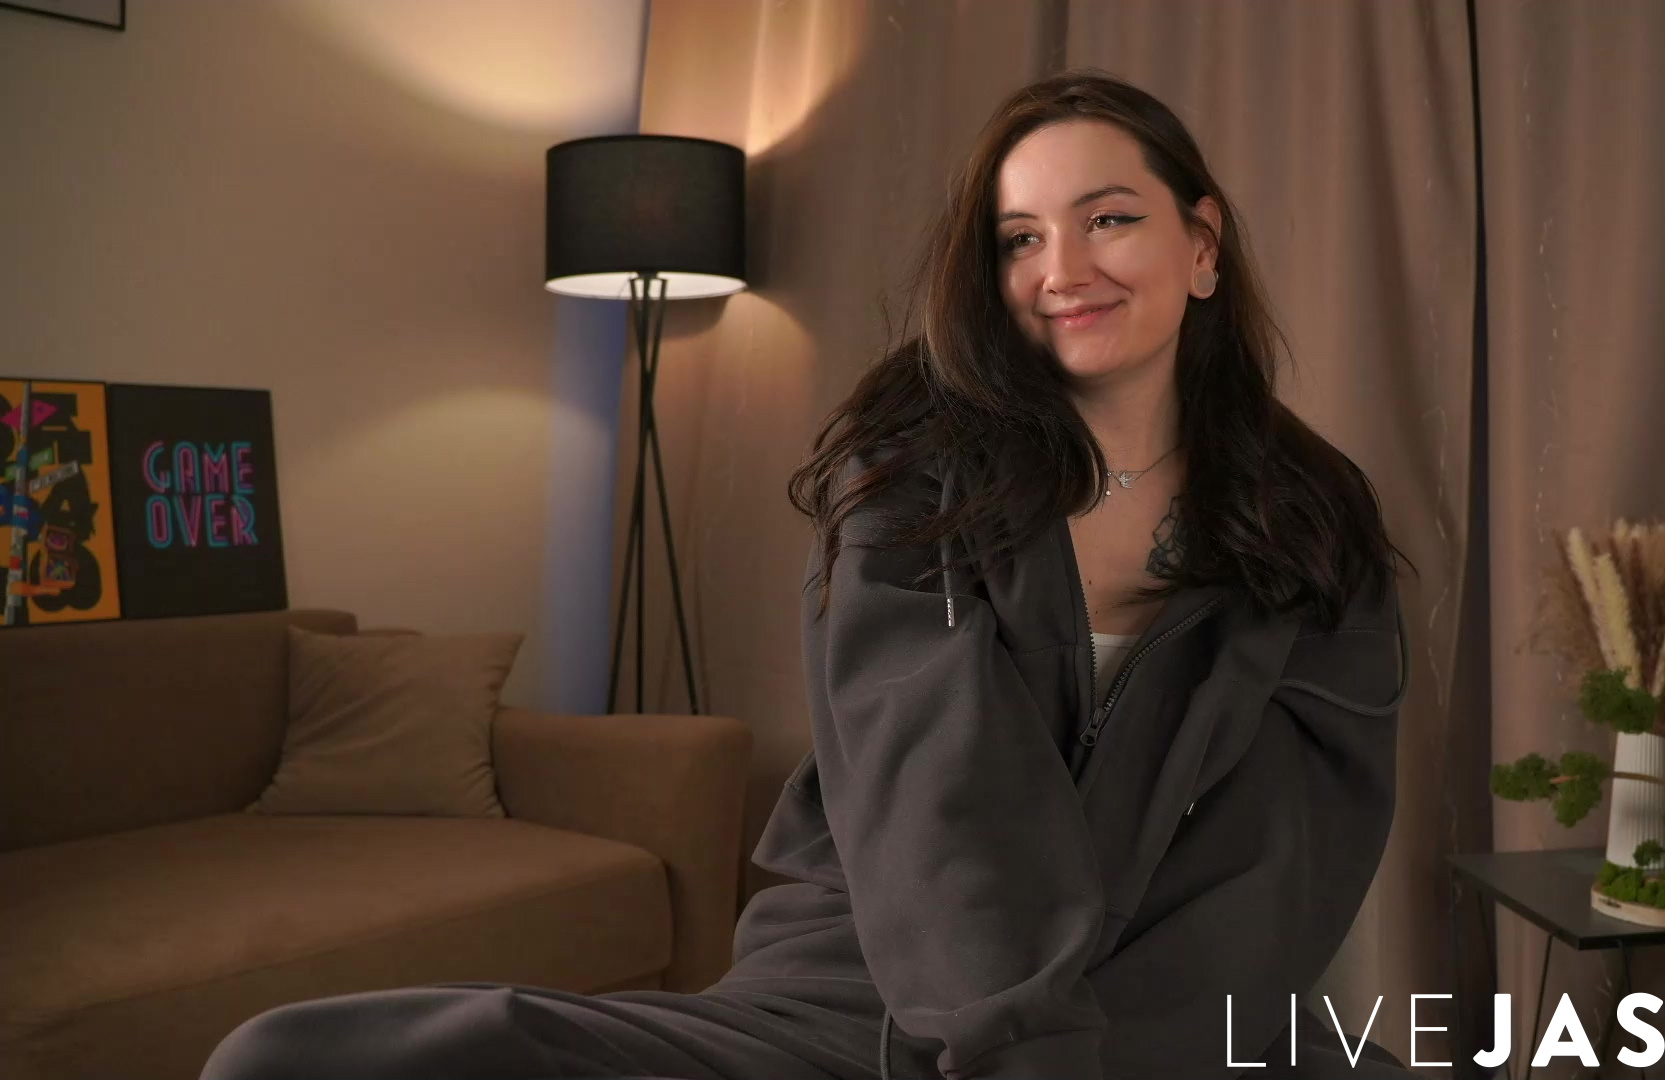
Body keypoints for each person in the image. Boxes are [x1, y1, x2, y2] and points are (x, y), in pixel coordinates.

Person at [200, 69, 1416, 1080]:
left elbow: (1287, 857)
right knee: (298, 1059)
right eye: (1020, 238)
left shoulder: (1308, 518)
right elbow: (932, 781)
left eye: (1108, 220)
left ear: (1201, 244)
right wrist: (1022, 1050)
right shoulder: (914, 468)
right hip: (868, 989)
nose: (1061, 269)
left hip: (1161, 1014)